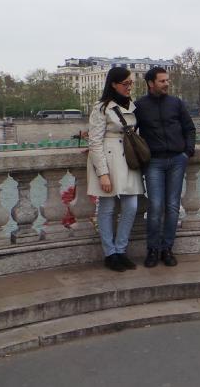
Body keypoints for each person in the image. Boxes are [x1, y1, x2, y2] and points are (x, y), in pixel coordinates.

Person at [135, 67, 196, 267]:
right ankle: (153, 249)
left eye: (167, 81)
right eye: (162, 81)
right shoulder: (139, 106)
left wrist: (188, 152)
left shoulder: (176, 103)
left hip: (177, 160)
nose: (167, 84)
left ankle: (167, 249)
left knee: (172, 206)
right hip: (154, 162)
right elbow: (128, 132)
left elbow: (189, 128)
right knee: (155, 207)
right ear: (151, 83)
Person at [87, 67, 145, 272]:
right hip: (109, 161)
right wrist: (103, 173)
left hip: (129, 160)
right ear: (113, 84)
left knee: (131, 207)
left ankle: (121, 250)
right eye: (125, 83)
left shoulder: (133, 106)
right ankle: (110, 253)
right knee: (107, 208)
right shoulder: (101, 108)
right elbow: (94, 142)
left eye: (131, 83)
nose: (129, 87)